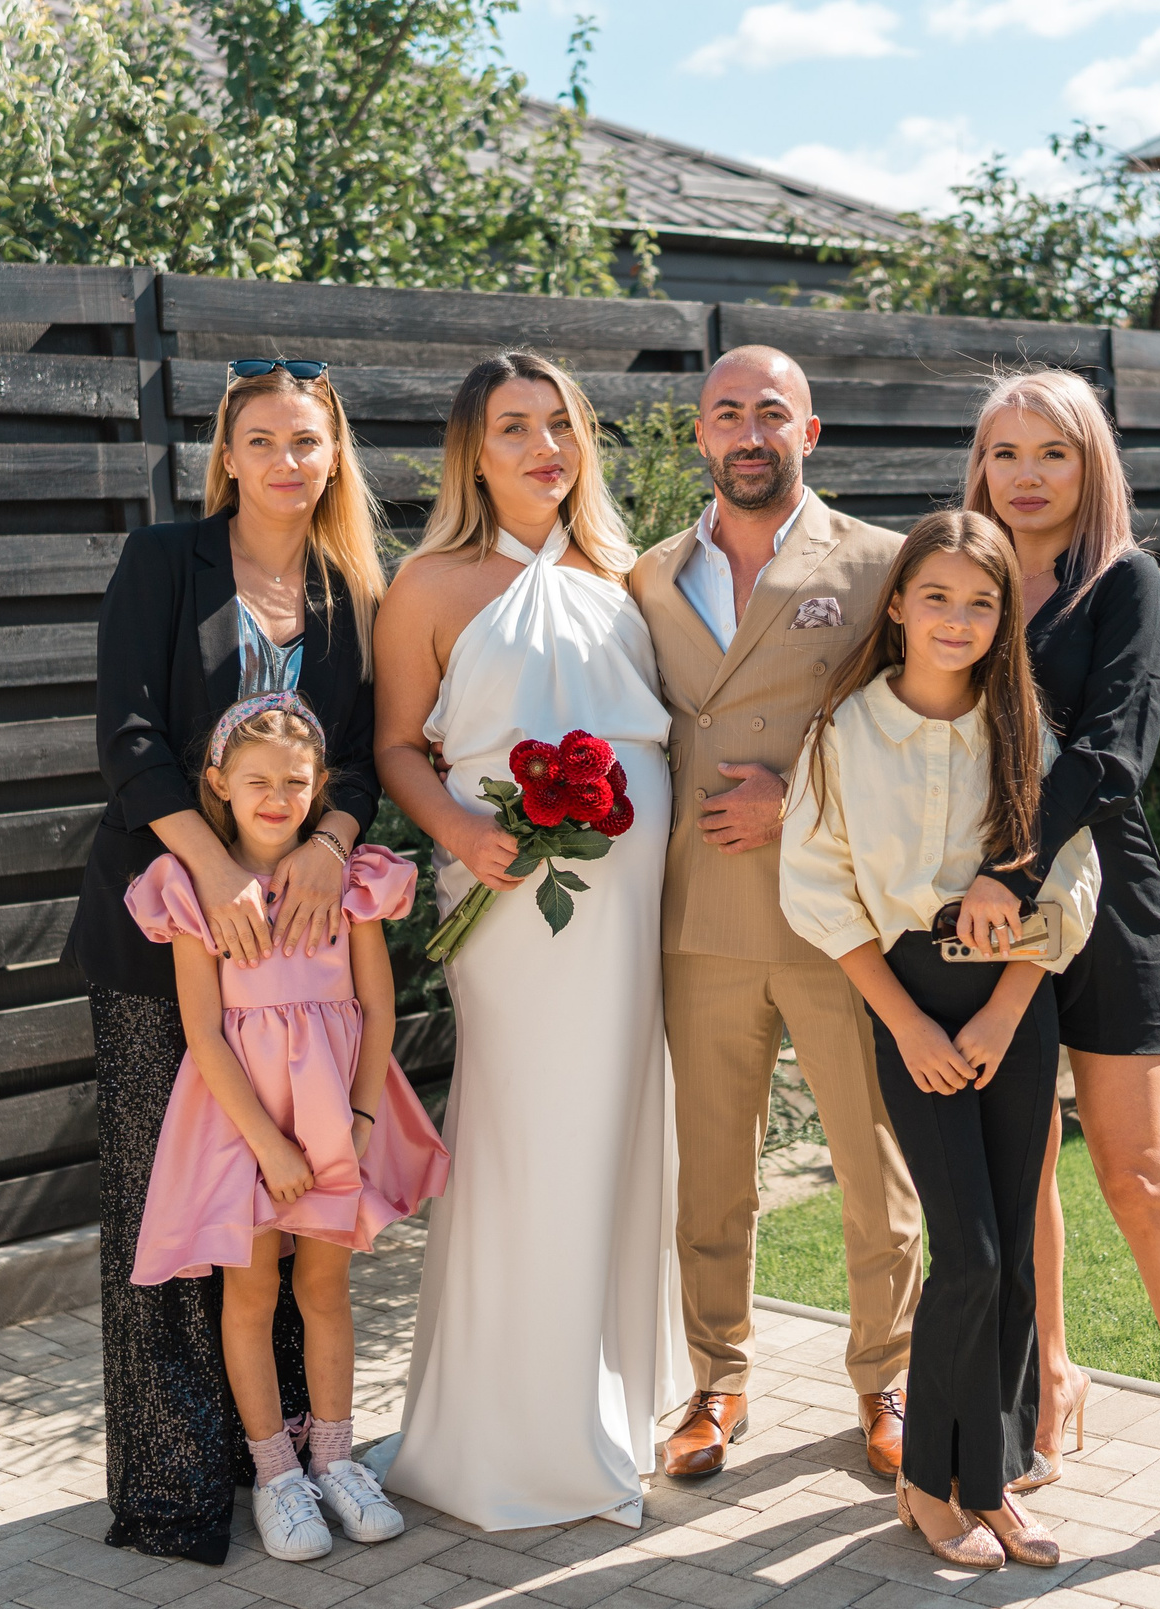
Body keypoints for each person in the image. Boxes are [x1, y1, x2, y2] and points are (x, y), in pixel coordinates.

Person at [68, 358, 385, 1564]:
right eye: (265, 439)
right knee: (170, 1209)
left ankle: (304, 1461)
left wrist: (331, 846)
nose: (289, 461)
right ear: (230, 455)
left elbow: (356, 754)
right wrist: (217, 868)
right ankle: (173, 1485)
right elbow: (128, 737)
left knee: (292, 1213)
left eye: (309, 441)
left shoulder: (353, 586)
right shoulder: (165, 563)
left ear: (332, 456)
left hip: (300, 953)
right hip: (171, 931)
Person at [369, 352, 686, 1530]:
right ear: (473, 451)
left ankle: (614, 1400)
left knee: (615, 1129)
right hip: (506, 898)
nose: (543, 445)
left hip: (634, 897)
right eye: (515, 427)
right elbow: (399, 741)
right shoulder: (430, 582)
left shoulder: (629, 572)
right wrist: (456, 824)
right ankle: (514, 1432)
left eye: (560, 424)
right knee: (522, 1135)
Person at [951, 368, 1160, 1570]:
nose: (1026, 475)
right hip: (989, 908)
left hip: (1101, 906)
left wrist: (1012, 875)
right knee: (1021, 1174)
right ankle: (1053, 1381)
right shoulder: (959, 578)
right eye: (1005, 451)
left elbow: (1112, 753)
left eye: (1052, 454)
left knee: (1136, 1177)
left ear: (1091, 466)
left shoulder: (1122, 582)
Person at [629, 345, 925, 1481]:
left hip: (835, 917)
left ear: (812, 428)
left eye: (771, 413)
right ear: (699, 434)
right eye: (725, 414)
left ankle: (885, 1380)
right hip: (695, 918)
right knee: (711, 1167)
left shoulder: (880, 563)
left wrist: (796, 798)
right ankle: (717, 1382)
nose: (748, 434)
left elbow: (914, 728)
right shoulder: (649, 576)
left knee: (871, 1158)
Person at [779, 510, 1095, 1573]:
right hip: (907, 996)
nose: (957, 620)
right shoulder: (845, 730)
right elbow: (817, 887)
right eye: (937, 597)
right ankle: (924, 1479)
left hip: (1016, 997)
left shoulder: (1023, 730)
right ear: (900, 604)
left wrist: (1007, 1008)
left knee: (1014, 1265)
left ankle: (991, 1480)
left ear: (1003, 617)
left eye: (981, 601)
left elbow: (1072, 876)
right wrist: (905, 1020)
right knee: (970, 1251)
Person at [122, 692, 447, 1560]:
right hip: (243, 1128)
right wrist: (266, 1144)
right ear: (218, 782)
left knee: (327, 1291)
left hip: (336, 1116)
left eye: (295, 782)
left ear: (319, 788)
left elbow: (376, 1008)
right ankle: (276, 1477)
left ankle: (336, 1458)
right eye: (256, 779)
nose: (276, 796)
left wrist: (366, 1113)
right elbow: (203, 1031)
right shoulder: (192, 892)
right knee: (253, 1295)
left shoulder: (351, 881)